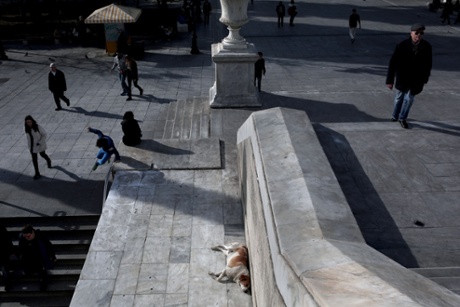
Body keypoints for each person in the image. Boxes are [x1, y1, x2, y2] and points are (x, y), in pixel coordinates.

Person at [386, 23, 432, 129]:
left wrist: (425, 78)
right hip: (403, 78)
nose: (419, 35)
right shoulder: (402, 45)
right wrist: (390, 80)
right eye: (417, 33)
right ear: (411, 33)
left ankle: (402, 118)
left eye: (421, 33)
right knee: (399, 98)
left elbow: (428, 64)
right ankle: (395, 116)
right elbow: (393, 63)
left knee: (409, 99)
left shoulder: (427, 46)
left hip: (416, 80)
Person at [19, 224, 56, 291]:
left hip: (41, 257)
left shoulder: (41, 236)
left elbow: (48, 246)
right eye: (25, 236)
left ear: (33, 232)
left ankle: (44, 283)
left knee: (42, 271)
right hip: (30, 257)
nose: (27, 238)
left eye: (28, 236)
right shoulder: (23, 239)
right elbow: (21, 249)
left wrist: (52, 256)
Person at [25, 115, 52, 180]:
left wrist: (40, 142)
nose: (29, 123)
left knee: (42, 154)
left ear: (32, 121)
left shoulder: (37, 127)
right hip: (32, 146)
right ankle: (37, 173)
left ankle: (48, 160)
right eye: (27, 122)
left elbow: (44, 134)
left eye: (30, 122)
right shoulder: (26, 128)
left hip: (39, 144)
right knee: (34, 160)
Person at [1, 225, 17, 291]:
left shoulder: (1, 229)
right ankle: (8, 283)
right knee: (4, 269)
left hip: (3, 254)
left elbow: (7, 241)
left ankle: (8, 284)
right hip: (3, 253)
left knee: (4, 269)